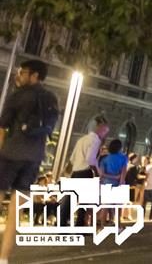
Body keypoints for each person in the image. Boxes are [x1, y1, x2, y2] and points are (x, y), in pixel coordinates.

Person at [0, 59, 59, 264]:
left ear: (35, 76)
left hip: (10, 155)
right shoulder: (51, 98)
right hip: (33, 160)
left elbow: (2, 128)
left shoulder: (18, 96)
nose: (20, 75)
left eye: (24, 72)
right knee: (15, 212)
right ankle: (3, 258)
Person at [60, 115, 109, 227]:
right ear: (99, 127)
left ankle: (61, 224)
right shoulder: (95, 140)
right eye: (105, 131)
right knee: (84, 202)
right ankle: (80, 225)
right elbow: (90, 159)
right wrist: (96, 173)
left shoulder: (81, 139)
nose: (105, 134)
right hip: (86, 172)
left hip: (75, 173)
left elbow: (72, 159)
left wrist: (66, 174)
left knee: (69, 200)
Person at [97, 139, 127, 226]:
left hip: (106, 184)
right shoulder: (123, 158)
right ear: (120, 148)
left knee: (105, 206)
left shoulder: (105, 159)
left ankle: (102, 225)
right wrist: (119, 181)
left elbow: (101, 174)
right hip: (118, 184)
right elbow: (123, 172)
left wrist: (111, 177)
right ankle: (118, 225)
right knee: (118, 207)